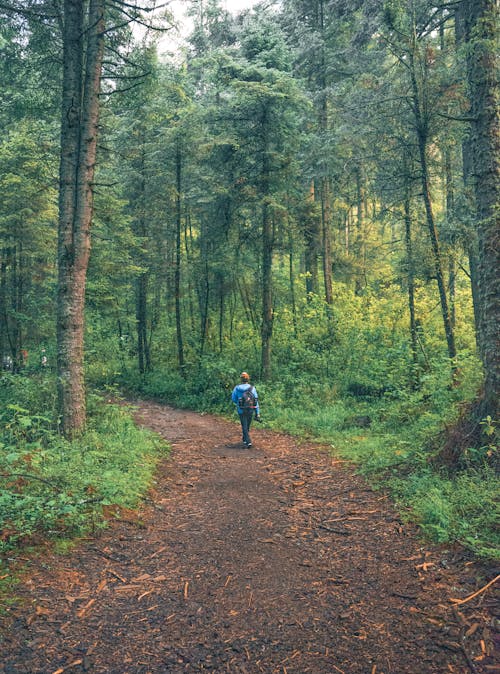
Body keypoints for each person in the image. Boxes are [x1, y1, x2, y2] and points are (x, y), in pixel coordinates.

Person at [231, 371, 261, 448]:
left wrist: (238, 403)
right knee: (247, 425)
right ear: (248, 379)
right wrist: (257, 413)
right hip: (250, 409)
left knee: (244, 425)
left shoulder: (237, 388)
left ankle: (247, 440)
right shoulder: (252, 388)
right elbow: (255, 400)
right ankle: (246, 440)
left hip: (241, 409)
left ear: (241, 379)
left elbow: (233, 399)